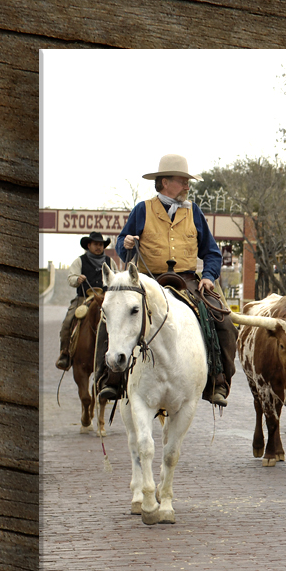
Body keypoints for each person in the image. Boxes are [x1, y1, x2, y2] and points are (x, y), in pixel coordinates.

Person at [96, 154, 237, 407]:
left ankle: (218, 380)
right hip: (148, 280)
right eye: (182, 181)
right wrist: (126, 243)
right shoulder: (142, 210)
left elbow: (212, 252)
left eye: (187, 181)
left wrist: (207, 276)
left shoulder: (195, 212)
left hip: (186, 281)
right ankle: (110, 379)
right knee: (111, 316)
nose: (187, 186)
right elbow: (122, 244)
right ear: (164, 182)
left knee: (223, 321)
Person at [56, 232, 117, 370]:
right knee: (67, 322)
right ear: (88, 245)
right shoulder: (80, 261)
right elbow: (71, 278)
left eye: (100, 244)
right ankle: (65, 353)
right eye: (95, 244)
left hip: (105, 298)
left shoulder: (109, 262)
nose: (98, 247)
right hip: (83, 298)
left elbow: (116, 276)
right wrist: (77, 279)